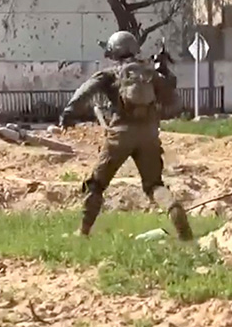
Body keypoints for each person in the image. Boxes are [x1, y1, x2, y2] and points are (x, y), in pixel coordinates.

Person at [58, 31, 194, 241]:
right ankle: (180, 223)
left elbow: (84, 92)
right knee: (154, 185)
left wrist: (68, 114)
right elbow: (175, 103)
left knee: (97, 184)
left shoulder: (109, 74)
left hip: (120, 136)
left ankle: (83, 231)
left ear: (114, 52)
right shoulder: (151, 75)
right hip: (149, 135)